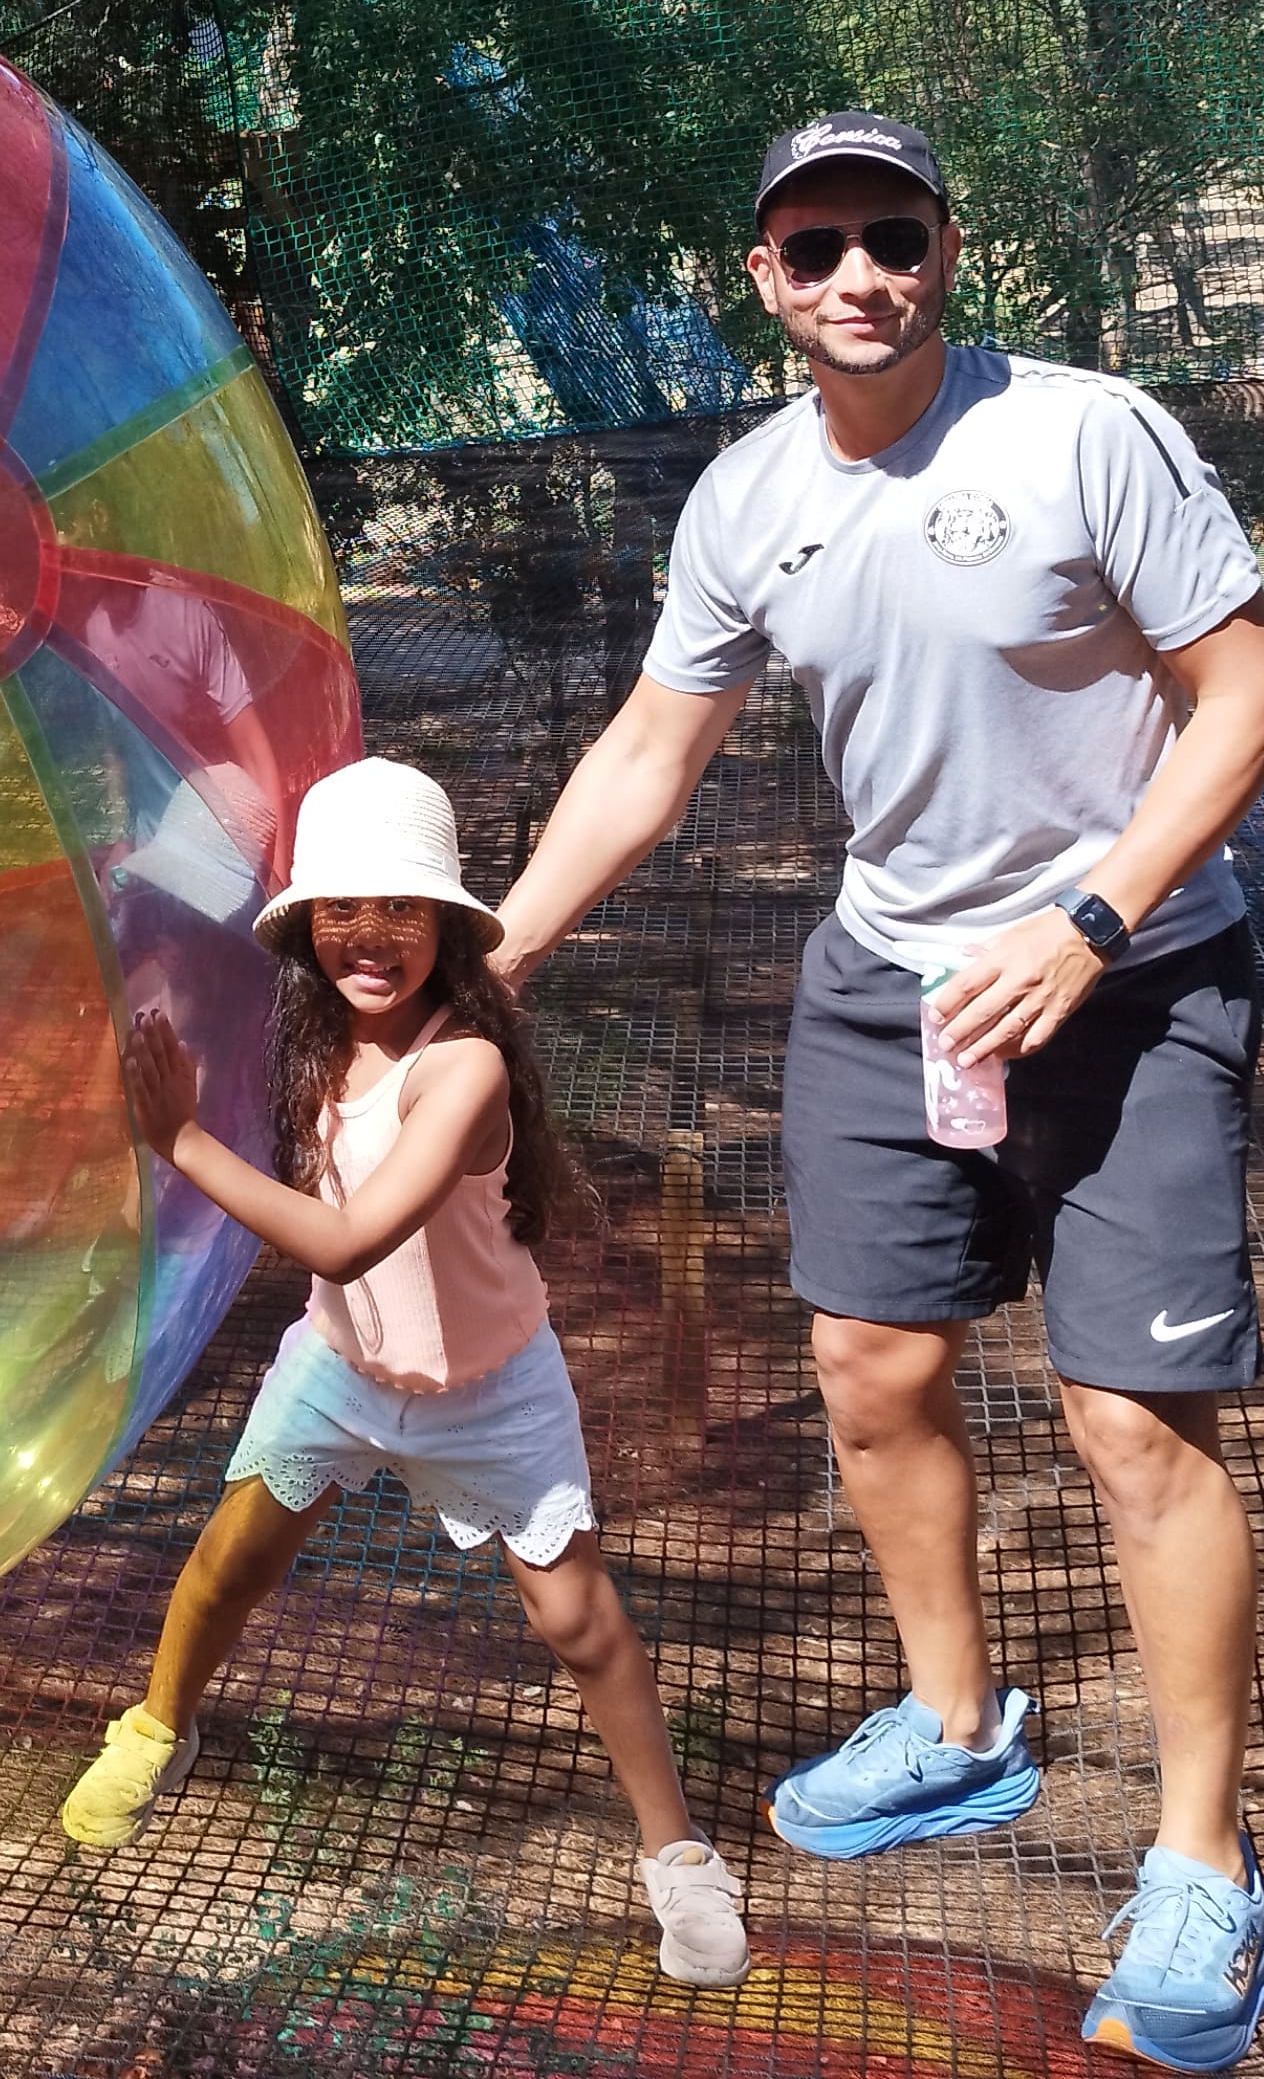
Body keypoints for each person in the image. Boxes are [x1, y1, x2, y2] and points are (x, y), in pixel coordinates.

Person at [487, 114, 1264, 2072]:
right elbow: (641, 760)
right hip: (889, 987)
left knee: (1127, 1422)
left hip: (1129, 973)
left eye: (887, 234)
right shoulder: (748, 499)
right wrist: (484, 957)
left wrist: (1095, 920)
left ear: (944, 248)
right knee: (866, 1362)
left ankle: (1204, 1875)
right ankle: (952, 1731)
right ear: (760, 284)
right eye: (811, 246)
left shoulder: (1082, 435)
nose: (855, 272)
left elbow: (1249, 689)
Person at [58, 756, 752, 1990]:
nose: (369, 937)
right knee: (229, 1560)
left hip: (490, 1386)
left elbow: (345, 1237)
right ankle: (156, 1724)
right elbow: (165, 955)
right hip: (339, 1363)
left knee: (578, 1621)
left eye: (400, 910)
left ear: (445, 924)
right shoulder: (308, 1029)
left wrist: (176, 1141)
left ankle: (679, 1856)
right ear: (303, 924)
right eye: (341, 910)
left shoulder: (463, 1065)